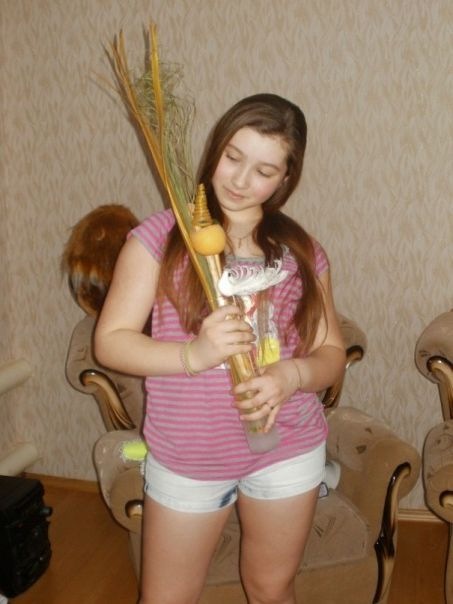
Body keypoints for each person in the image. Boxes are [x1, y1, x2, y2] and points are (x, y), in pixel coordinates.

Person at [94, 93, 346, 604]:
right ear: (215, 148)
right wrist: (195, 355)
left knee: (271, 588)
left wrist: (292, 376)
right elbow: (111, 342)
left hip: (287, 449)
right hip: (188, 455)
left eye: (264, 171)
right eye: (233, 157)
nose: (240, 180)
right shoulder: (160, 237)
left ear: (285, 179)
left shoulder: (301, 252)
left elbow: (331, 353)